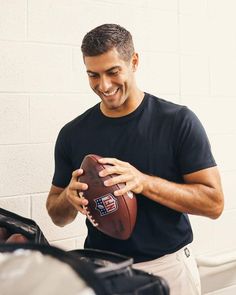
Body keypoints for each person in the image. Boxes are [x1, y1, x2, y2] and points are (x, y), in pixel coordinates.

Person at [46, 24, 224, 295]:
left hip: (168, 269)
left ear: (134, 61)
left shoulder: (177, 121)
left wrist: (143, 183)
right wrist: (68, 199)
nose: (103, 85)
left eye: (112, 72)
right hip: (103, 271)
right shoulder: (72, 133)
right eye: (93, 75)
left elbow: (214, 204)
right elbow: (56, 215)